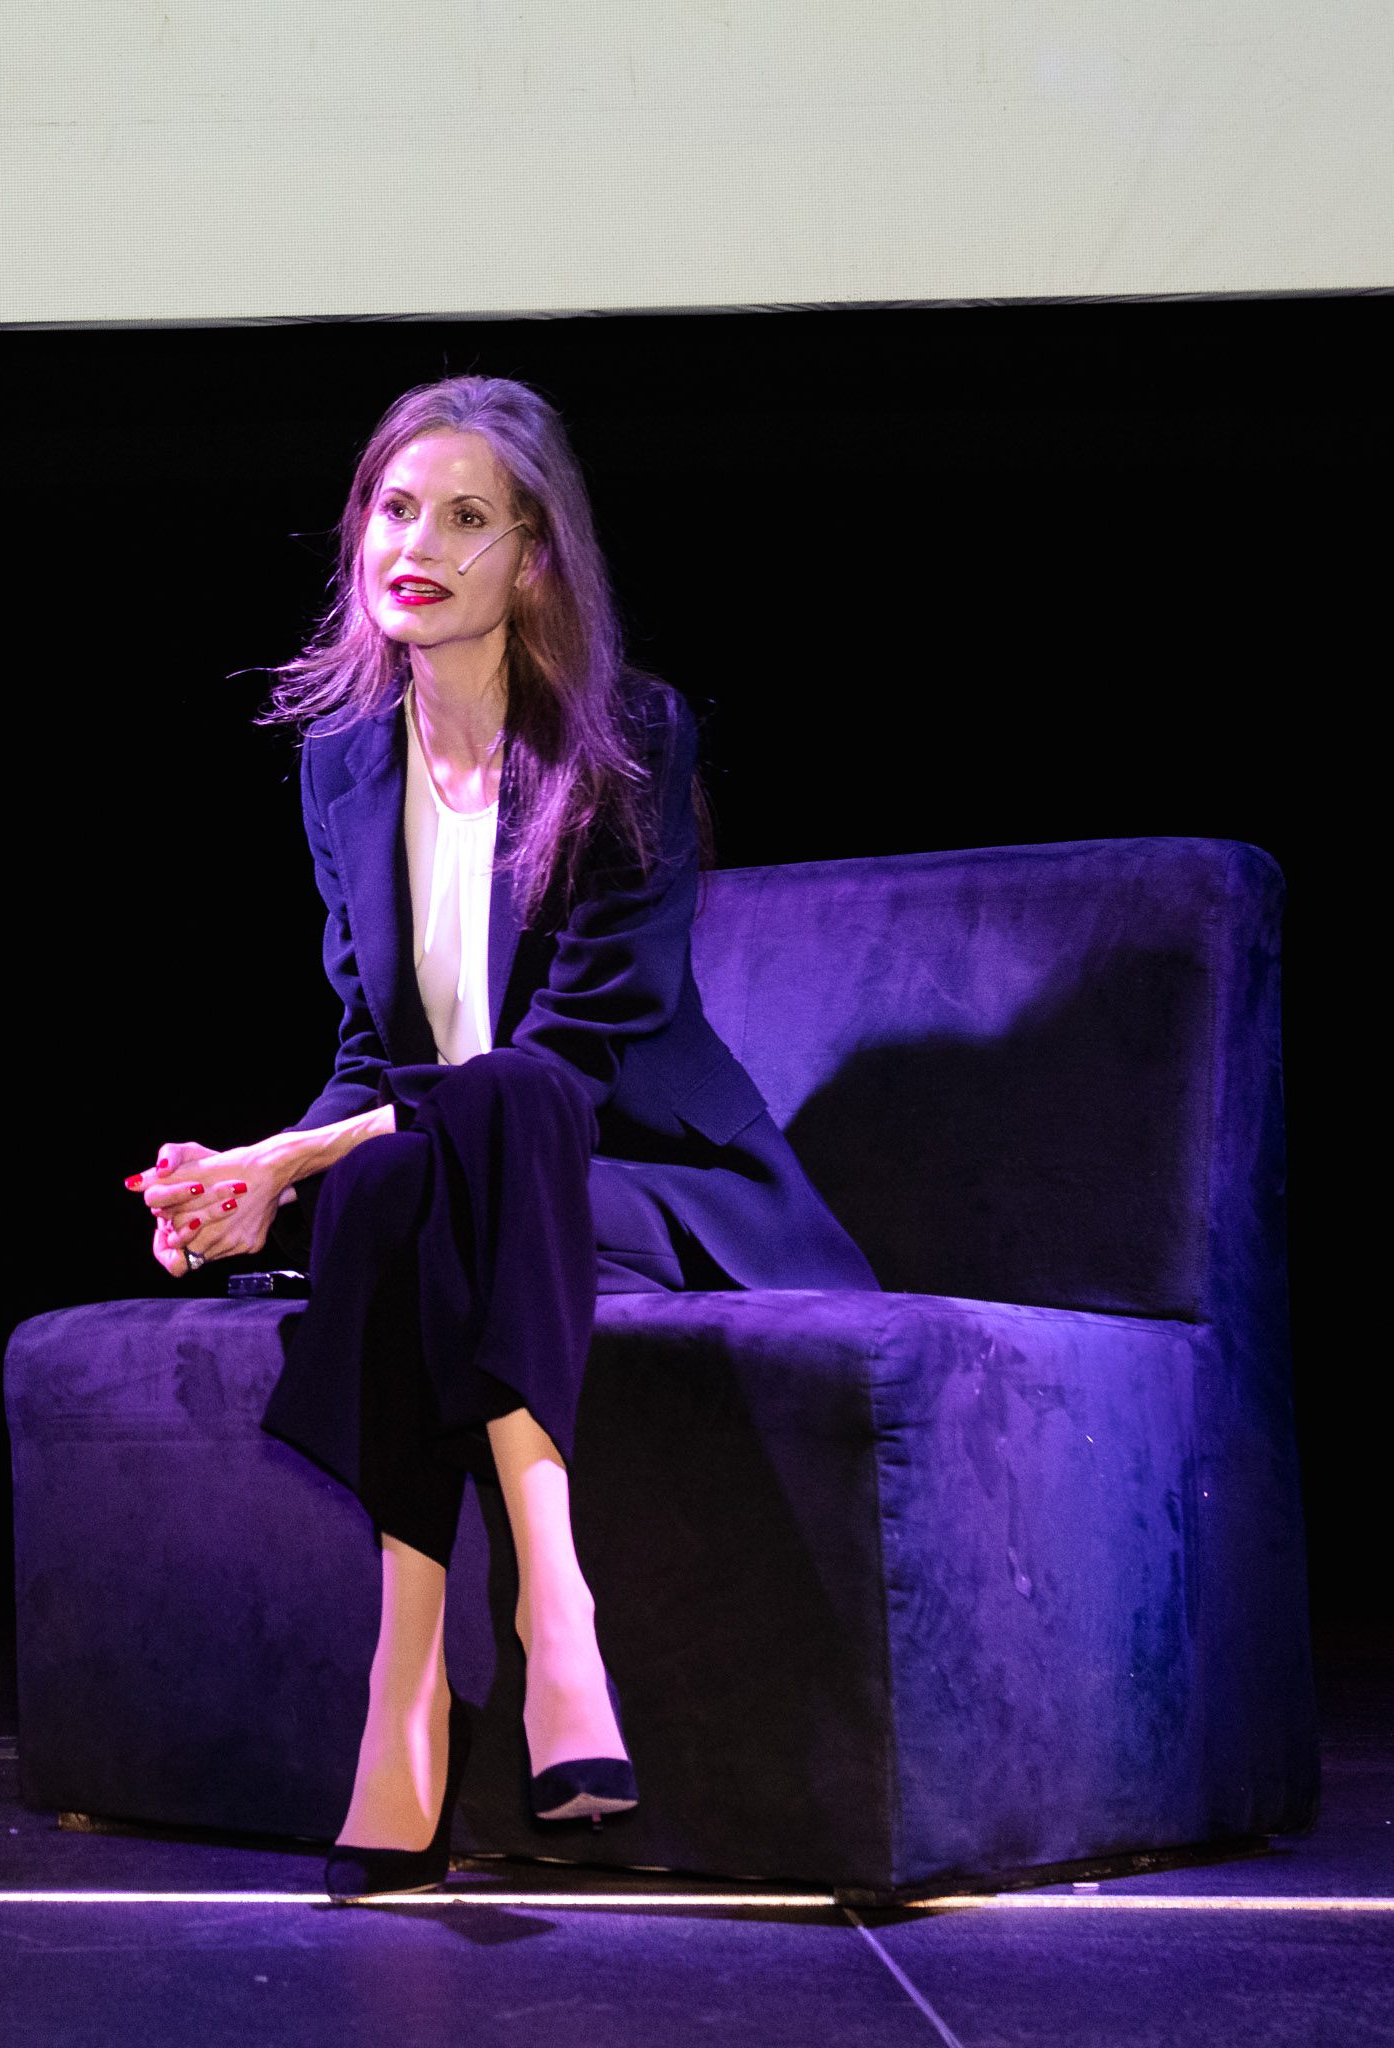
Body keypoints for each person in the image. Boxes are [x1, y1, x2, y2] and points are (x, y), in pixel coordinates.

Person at [122, 374, 878, 1901]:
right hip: (462, 1184)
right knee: (402, 1169)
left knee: (510, 1104)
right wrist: (251, 1176)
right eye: (394, 510)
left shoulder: (628, 735)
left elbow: (579, 1050)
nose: (417, 545)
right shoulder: (343, 766)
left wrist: (295, 1164)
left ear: (532, 559)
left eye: (465, 518)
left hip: (649, 1177)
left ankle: (529, 1617)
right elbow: (372, 1057)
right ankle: (436, 1665)